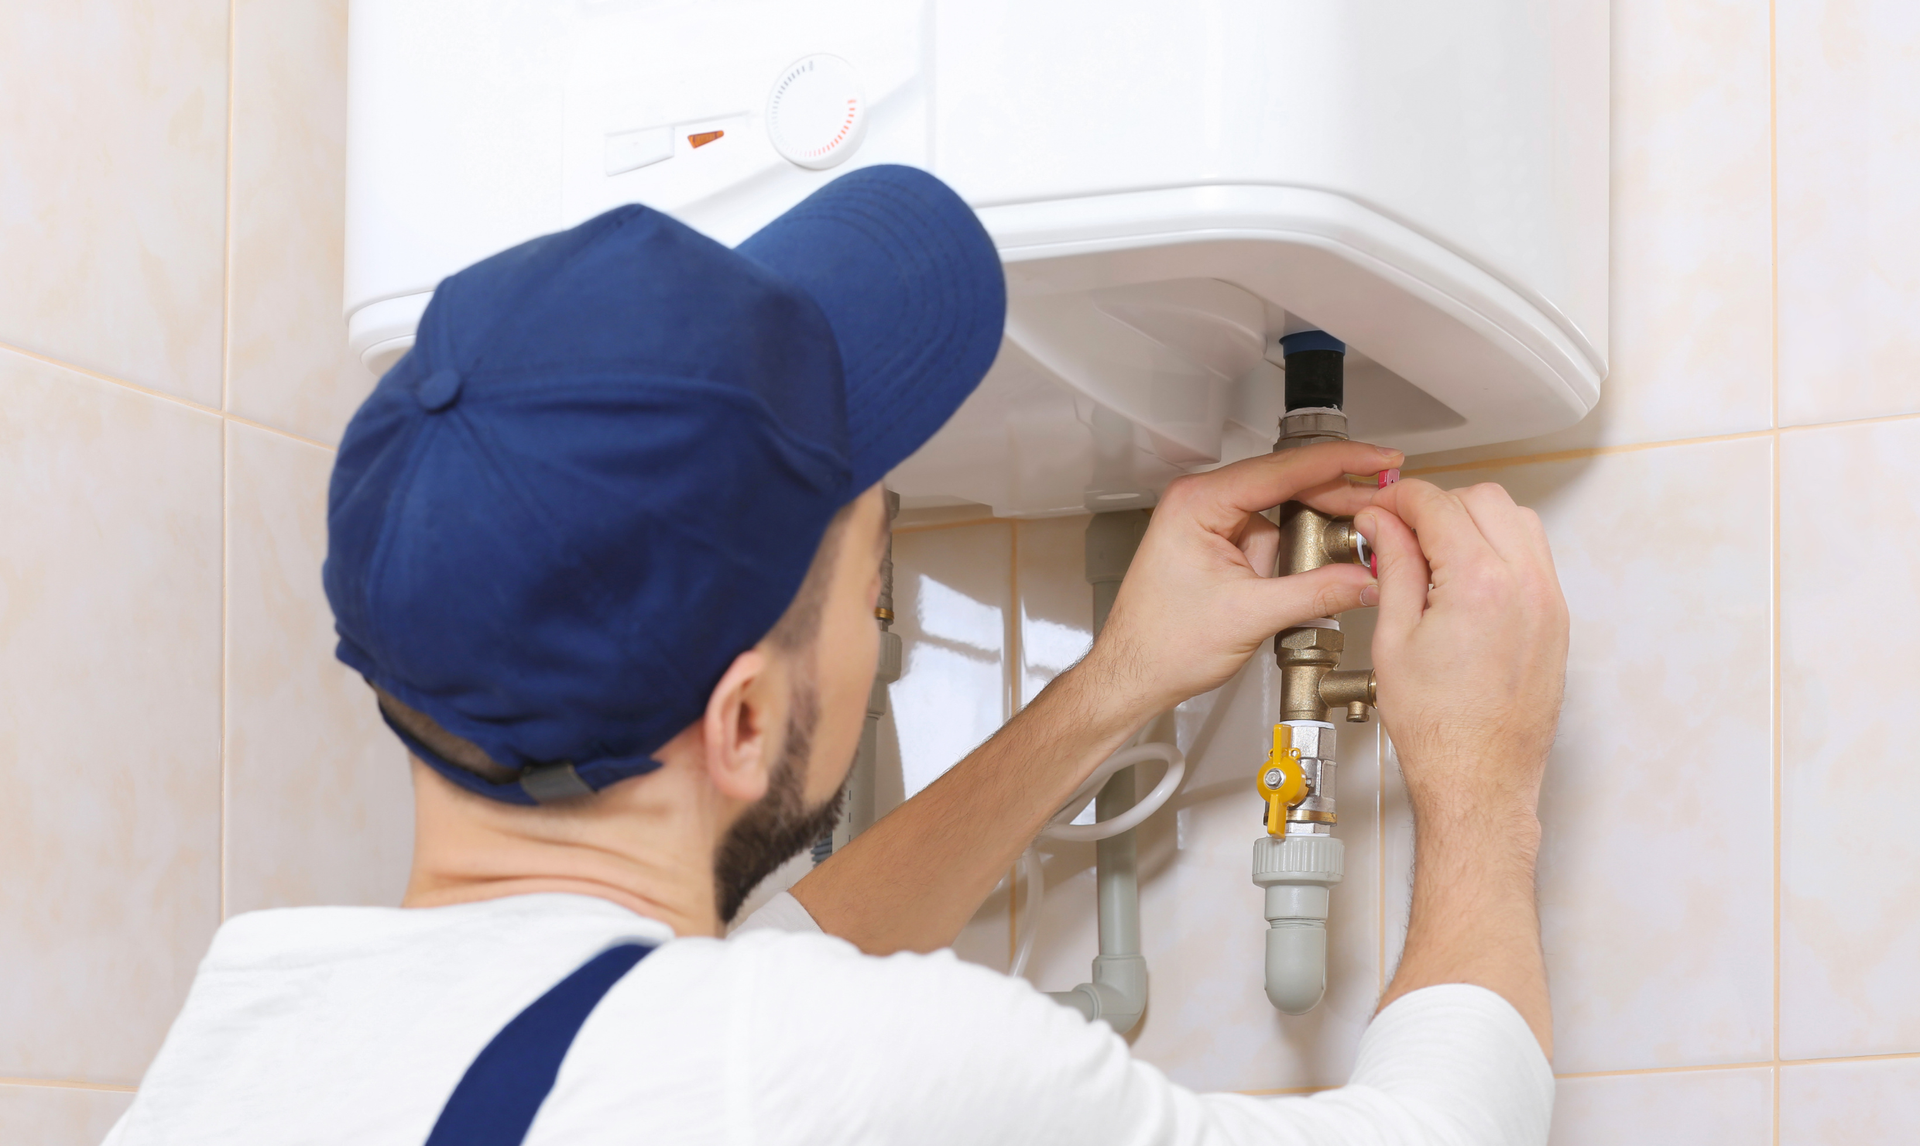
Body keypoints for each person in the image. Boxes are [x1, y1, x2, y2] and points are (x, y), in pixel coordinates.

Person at [105, 165, 1568, 1146]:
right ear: (743, 718)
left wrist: (1118, 684)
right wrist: (1482, 779)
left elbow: (719, 987)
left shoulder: (250, 1037)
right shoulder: (818, 1074)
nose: (875, 616)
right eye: (874, 577)